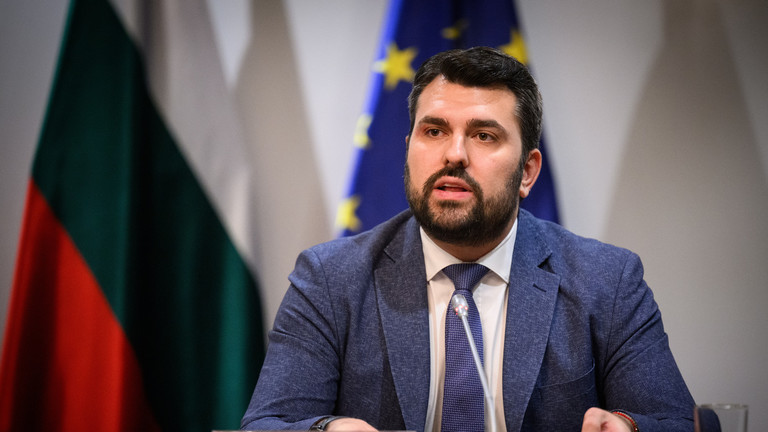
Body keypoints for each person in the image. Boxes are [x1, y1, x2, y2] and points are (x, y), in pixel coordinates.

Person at [241, 47, 695, 432]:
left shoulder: (606, 280)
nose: (454, 154)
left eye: (483, 135)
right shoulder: (330, 279)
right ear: (409, 148)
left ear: (528, 172)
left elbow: (676, 421)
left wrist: (628, 426)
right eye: (434, 131)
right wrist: (325, 429)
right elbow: (267, 424)